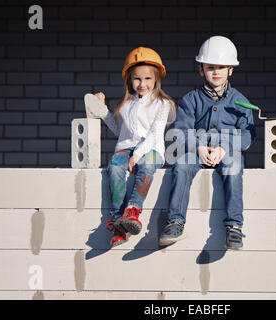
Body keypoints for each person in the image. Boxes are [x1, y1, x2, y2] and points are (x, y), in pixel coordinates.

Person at [159, 36, 256, 250]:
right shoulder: (190, 99)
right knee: (182, 166)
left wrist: (225, 148)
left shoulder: (241, 102)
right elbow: (181, 131)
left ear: (231, 69)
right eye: (210, 67)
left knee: (234, 167)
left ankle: (234, 227)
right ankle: (175, 222)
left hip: (226, 152)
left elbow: (248, 135)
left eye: (221, 67)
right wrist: (198, 147)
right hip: (197, 151)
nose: (216, 72)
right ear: (201, 69)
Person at [85, 47, 176, 247]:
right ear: (129, 80)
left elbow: (155, 133)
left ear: (156, 80)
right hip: (127, 148)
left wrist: (138, 153)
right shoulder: (125, 104)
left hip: (151, 149)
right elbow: (120, 130)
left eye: (147, 79)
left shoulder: (163, 103)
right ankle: (119, 222)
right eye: (137, 79)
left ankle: (133, 210)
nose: (142, 84)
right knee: (115, 166)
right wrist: (102, 110)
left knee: (148, 164)